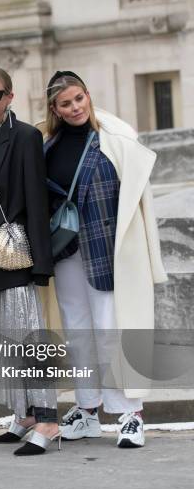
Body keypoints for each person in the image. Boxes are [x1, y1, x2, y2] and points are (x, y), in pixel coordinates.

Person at [42, 70, 167, 448]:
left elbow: (140, 203)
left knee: (112, 329)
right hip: (65, 251)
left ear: (88, 96)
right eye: (66, 103)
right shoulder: (49, 146)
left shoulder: (115, 140)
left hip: (108, 252)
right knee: (78, 333)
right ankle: (87, 410)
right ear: (56, 109)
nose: (75, 107)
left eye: (79, 98)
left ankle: (130, 414)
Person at [0, 66, 60, 455]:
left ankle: (49, 420)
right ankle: (23, 416)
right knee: (5, 338)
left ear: (10, 96)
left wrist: (41, 263)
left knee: (28, 337)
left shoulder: (26, 136)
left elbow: (37, 201)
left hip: (17, 252)